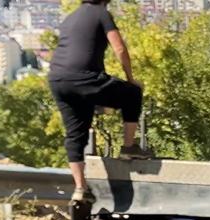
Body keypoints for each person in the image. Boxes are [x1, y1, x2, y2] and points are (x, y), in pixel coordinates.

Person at [49, 0, 150, 203]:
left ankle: (80, 189)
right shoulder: (101, 13)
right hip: (84, 78)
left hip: (58, 80)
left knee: (75, 134)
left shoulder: (70, 18)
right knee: (132, 94)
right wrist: (131, 79)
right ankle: (128, 148)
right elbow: (119, 49)